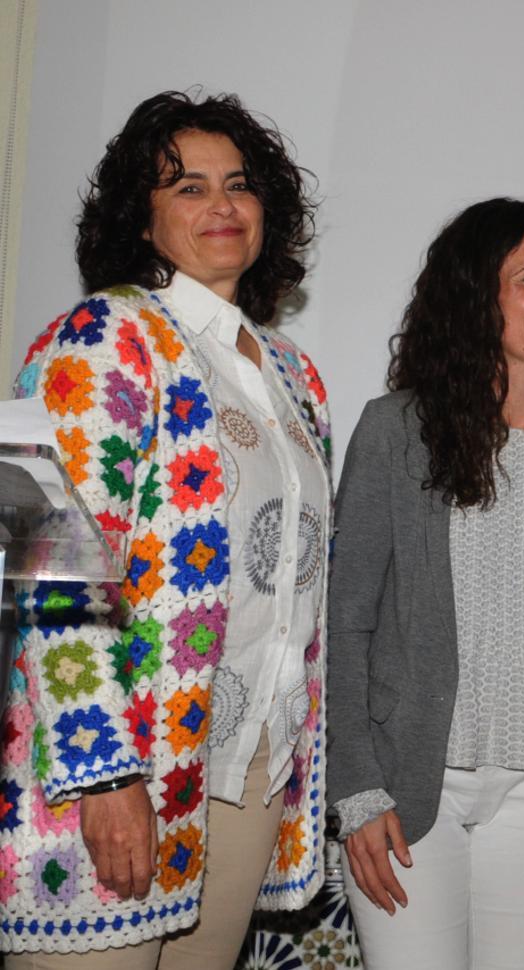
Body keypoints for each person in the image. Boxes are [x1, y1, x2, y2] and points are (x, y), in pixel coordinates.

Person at [1, 90, 331, 968]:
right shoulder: (97, 337)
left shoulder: (294, 376)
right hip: (116, 769)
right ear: (140, 219)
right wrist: (105, 774)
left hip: (249, 766)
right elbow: (43, 560)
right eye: (189, 187)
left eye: (239, 184)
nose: (223, 204)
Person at [326, 198, 524, 970]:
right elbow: (344, 625)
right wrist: (357, 788)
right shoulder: (395, 432)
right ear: (475, 297)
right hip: (406, 786)